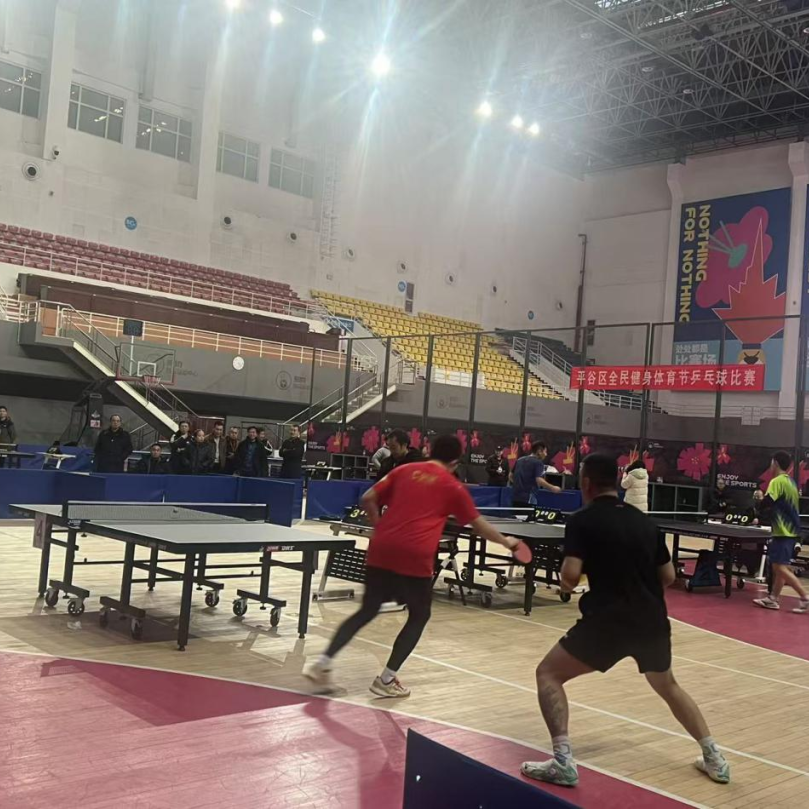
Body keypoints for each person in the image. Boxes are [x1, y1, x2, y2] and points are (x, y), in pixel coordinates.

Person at [520, 453, 730, 788]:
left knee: (548, 674)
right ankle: (715, 758)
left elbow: (571, 575)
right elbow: (668, 576)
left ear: (586, 483)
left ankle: (562, 762)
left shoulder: (582, 520)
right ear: (615, 483)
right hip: (651, 620)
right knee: (668, 686)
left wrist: (566, 584)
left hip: (607, 623)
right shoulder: (646, 523)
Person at [305, 434, 531, 697]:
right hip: (414, 555)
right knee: (419, 615)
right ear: (455, 462)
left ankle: (322, 664)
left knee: (367, 610)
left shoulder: (404, 470)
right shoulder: (453, 486)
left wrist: (379, 526)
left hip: (382, 548)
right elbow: (479, 526)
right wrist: (507, 542)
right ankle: (386, 680)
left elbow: (367, 498)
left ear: (429, 451)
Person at [753, 452, 809, 613]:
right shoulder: (791, 482)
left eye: (771, 462)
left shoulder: (776, 481)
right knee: (780, 567)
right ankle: (773, 599)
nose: (770, 465)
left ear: (775, 463)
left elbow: (768, 502)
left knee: (780, 567)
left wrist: (758, 503)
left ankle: (805, 597)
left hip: (784, 531)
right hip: (791, 531)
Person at [509, 441, 560, 507]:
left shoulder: (519, 460)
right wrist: (552, 488)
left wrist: (519, 485)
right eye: (545, 452)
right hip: (528, 499)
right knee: (527, 514)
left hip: (514, 498)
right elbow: (539, 480)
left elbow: (510, 476)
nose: (546, 454)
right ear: (539, 451)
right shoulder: (538, 463)